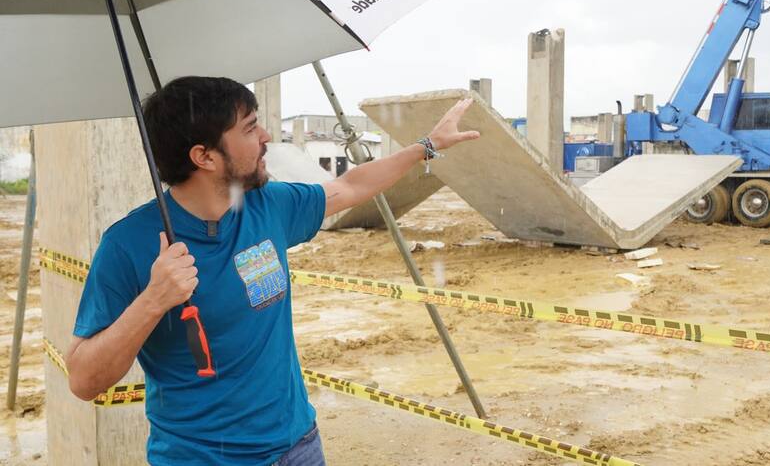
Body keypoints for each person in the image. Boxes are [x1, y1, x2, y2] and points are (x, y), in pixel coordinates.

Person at [64, 76, 479, 465]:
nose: (266, 138)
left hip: (297, 446)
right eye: (250, 128)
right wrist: (153, 301)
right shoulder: (129, 245)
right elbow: (84, 379)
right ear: (204, 156)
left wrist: (426, 146)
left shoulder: (267, 205)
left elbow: (350, 187)